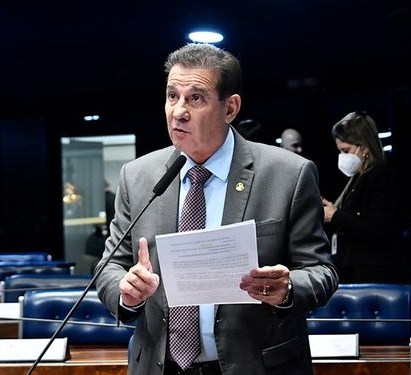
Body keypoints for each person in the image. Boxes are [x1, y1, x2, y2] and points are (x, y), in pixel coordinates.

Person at [95, 43, 338, 375]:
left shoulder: (288, 175)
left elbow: (322, 272)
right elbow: (108, 269)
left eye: (196, 98)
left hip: (255, 365)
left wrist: (288, 289)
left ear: (230, 107)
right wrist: (128, 293)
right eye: (172, 96)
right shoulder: (137, 176)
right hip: (158, 366)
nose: (178, 111)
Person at [321, 111, 402, 283]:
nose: (342, 157)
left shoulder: (381, 177)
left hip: (371, 275)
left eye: (346, 150)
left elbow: (378, 229)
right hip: (351, 272)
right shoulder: (357, 178)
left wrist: (335, 216)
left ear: (364, 147)